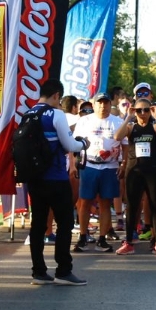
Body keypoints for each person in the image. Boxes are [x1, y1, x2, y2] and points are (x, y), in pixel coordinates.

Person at [27, 80, 91, 285]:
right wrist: (83, 143)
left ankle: (38, 271)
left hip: (34, 177)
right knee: (65, 222)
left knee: (38, 223)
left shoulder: (28, 113)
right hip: (55, 177)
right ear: (56, 95)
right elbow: (69, 143)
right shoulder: (56, 114)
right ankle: (63, 270)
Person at [113, 97, 156, 255]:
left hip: (152, 171)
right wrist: (127, 118)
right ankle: (129, 242)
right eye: (139, 110)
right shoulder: (132, 127)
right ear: (134, 111)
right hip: (134, 171)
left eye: (146, 110)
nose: (143, 113)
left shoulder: (154, 126)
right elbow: (117, 137)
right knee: (132, 207)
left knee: (155, 206)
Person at [75, 94, 123, 253]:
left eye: (106, 103)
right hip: (89, 165)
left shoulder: (118, 122)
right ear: (94, 105)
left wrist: (124, 163)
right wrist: (74, 164)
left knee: (105, 203)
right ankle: (82, 236)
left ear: (110, 105)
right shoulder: (84, 121)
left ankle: (102, 238)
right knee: (85, 202)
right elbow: (75, 142)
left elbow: (125, 144)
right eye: (100, 103)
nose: (103, 106)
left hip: (110, 167)